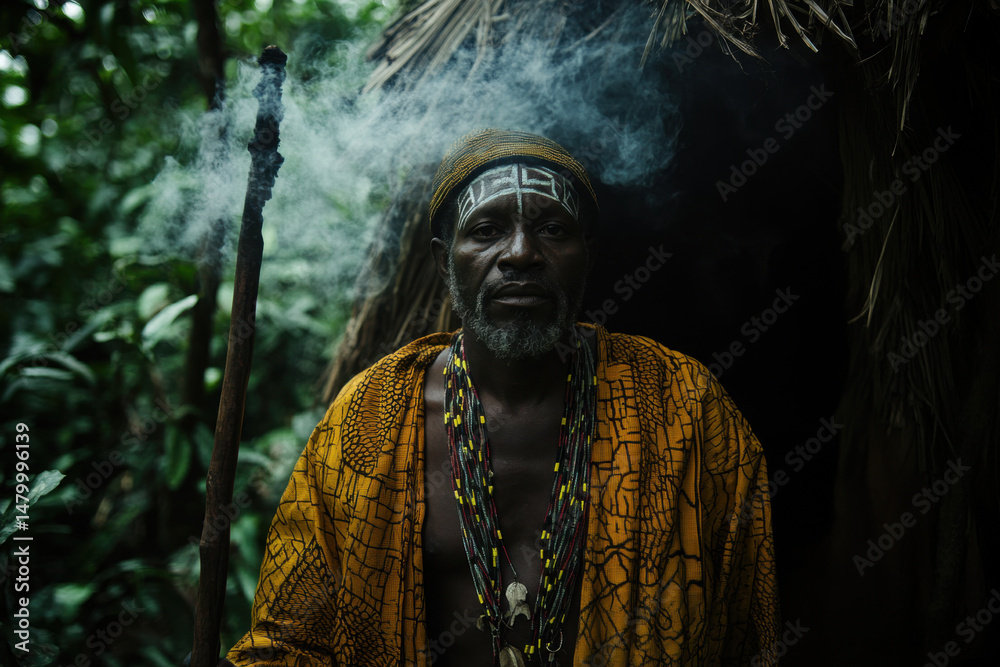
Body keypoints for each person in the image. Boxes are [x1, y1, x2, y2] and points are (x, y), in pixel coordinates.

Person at [226, 129, 779, 666]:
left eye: (552, 230)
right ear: (447, 259)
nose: (520, 254)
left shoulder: (680, 405)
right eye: (487, 229)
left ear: (588, 252)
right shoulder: (372, 416)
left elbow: (746, 629)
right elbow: (290, 640)